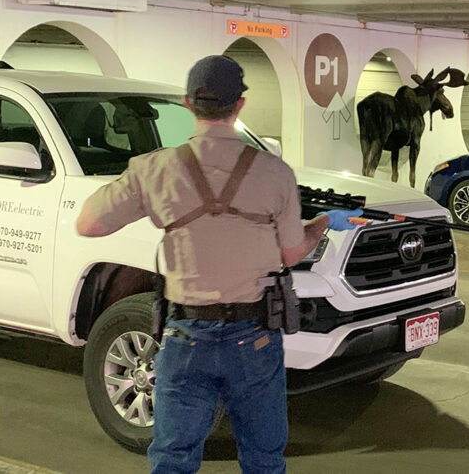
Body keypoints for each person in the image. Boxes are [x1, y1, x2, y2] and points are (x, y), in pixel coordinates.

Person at [75, 55, 363, 474]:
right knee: (263, 460)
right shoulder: (274, 172)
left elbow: (88, 223)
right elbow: (290, 254)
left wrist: (148, 186)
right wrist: (321, 224)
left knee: (173, 460)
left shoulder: (154, 168)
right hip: (255, 338)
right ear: (240, 105)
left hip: (184, 335)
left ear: (188, 104)